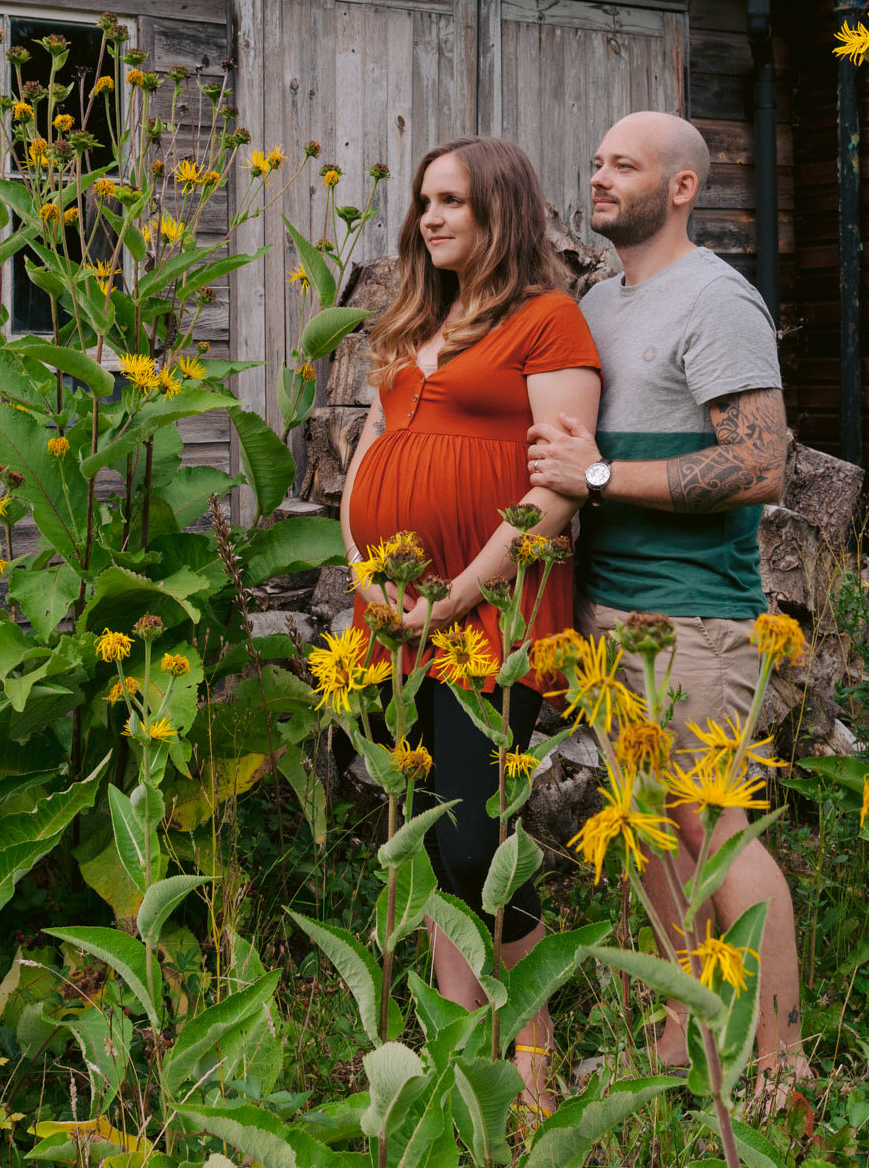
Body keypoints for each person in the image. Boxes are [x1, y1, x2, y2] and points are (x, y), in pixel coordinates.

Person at [525, 109, 809, 1102]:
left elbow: (757, 461)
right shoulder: (599, 301)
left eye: (625, 165)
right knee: (646, 824)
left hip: (694, 618)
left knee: (712, 827)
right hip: (608, 615)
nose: (598, 177)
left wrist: (597, 475)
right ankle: (691, 1030)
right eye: (595, 160)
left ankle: (778, 1064)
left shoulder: (715, 298)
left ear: (680, 186)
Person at [338, 135, 602, 1111]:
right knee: (419, 823)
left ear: (500, 209)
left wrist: (459, 591)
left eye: (450, 199)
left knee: (472, 836)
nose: (429, 217)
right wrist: (361, 565)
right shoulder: (414, 318)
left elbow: (555, 487)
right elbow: (365, 446)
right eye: (422, 201)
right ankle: (462, 1044)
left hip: (490, 609)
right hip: (392, 607)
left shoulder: (547, 320)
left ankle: (529, 1058)